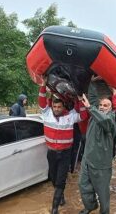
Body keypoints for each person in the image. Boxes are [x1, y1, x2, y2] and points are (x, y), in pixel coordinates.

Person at [38, 86, 87, 214]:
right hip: (51, 153)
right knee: (53, 178)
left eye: (59, 107)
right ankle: (61, 195)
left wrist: (80, 100)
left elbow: (83, 115)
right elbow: (42, 101)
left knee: (60, 179)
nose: (57, 109)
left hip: (65, 154)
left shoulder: (70, 116)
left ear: (63, 107)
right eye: (55, 107)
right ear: (52, 107)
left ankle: (55, 208)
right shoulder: (47, 113)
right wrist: (43, 86)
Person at [78, 94, 116, 214]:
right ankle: (90, 206)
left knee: (102, 192)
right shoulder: (93, 116)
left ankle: (104, 212)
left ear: (111, 108)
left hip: (101, 163)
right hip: (87, 158)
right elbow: (93, 97)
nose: (102, 107)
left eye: (106, 105)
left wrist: (90, 107)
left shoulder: (110, 119)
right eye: (100, 105)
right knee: (83, 184)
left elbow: (104, 121)